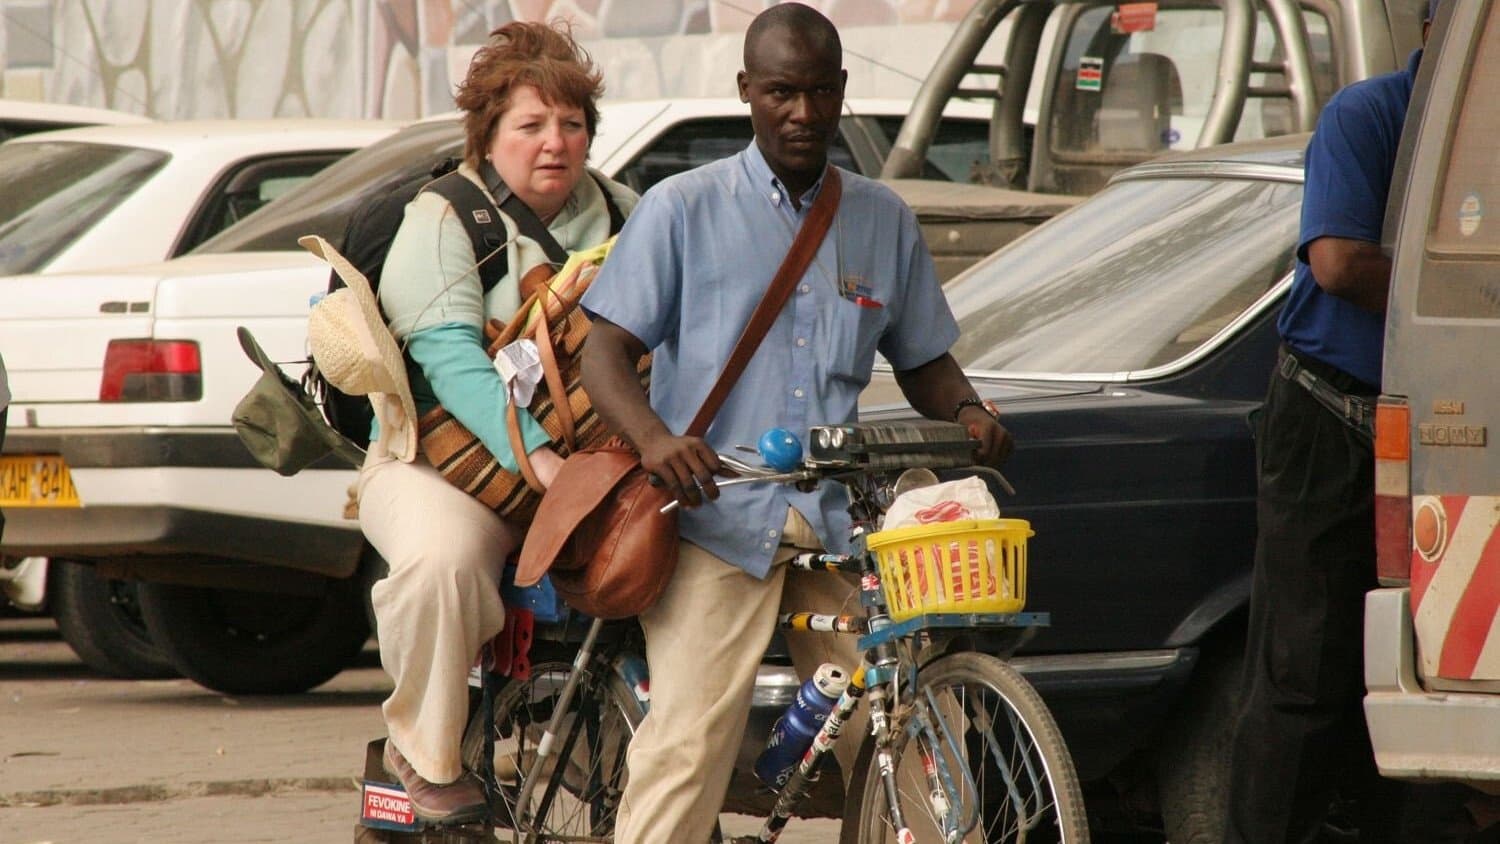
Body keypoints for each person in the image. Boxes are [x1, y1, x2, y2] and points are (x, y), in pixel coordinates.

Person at [579, 5, 1012, 841]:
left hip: (835, 519)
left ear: (842, 91)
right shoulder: (681, 209)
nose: (802, 114)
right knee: (691, 745)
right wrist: (656, 440)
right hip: (715, 514)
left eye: (819, 92)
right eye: (781, 92)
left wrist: (966, 408)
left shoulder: (882, 218)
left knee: (904, 719)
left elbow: (922, 360)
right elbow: (606, 354)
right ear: (746, 91)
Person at [358, 21, 637, 823]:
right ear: (489, 134)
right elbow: (452, 362)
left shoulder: (624, 211)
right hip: (439, 466)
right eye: (532, 125)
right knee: (443, 564)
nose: (557, 142)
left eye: (573, 124)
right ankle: (424, 752)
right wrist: (543, 463)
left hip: (591, 463)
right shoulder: (447, 217)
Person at [1225, 3, 1445, 841]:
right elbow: (1340, 261)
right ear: (1436, 34)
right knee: (1301, 673)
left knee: (1399, 677)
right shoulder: (1369, 114)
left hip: (1428, 429)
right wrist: (1456, 294)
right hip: (1327, 419)